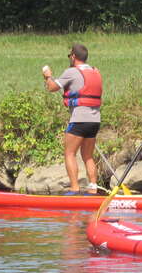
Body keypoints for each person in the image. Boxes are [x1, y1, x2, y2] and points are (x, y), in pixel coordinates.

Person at [43, 43, 102, 195]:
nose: (69, 58)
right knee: (88, 156)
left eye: (70, 55)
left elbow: (51, 87)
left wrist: (48, 76)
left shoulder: (72, 71)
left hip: (79, 120)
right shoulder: (96, 71)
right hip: (95, 120)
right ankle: (93, 188)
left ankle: (74, 188)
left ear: (74, 56)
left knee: (69, 153)